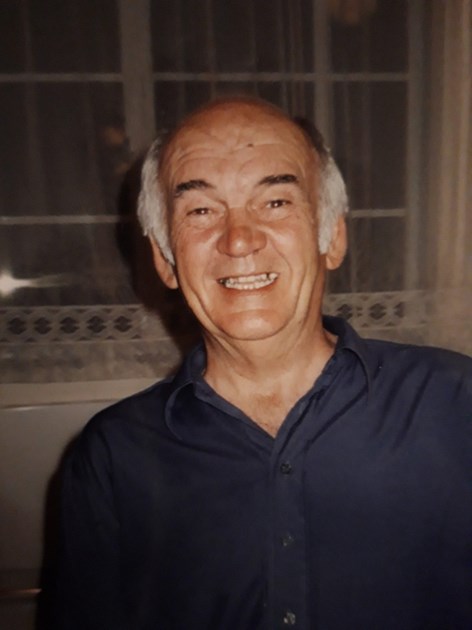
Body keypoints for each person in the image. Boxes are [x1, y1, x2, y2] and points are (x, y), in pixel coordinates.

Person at [54, 97, 472, 629]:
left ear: (332, 235)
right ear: (164, 258)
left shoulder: (457, 404)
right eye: (201, 211)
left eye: (275, 201)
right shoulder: (113, 456)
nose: (239, 239)